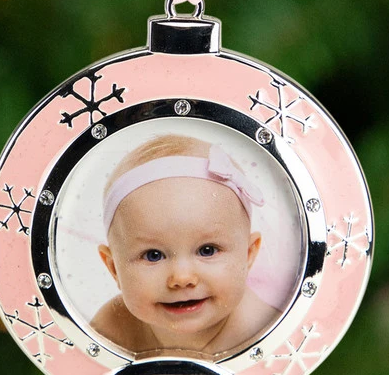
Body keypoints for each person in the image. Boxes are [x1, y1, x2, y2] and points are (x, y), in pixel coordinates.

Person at [92, 133, 282, 359]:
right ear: (113, 268)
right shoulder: (110, 328)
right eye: (153, 255)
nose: (182, 278)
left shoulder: (265, 331)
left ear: (248, 254)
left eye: (207, 250)